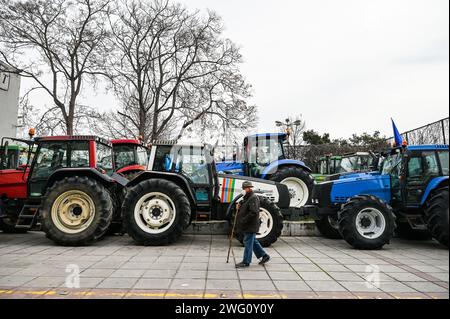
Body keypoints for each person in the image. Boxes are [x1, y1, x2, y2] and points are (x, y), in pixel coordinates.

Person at [235, 181, 271, 268]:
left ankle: (246, 261)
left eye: (245, 188)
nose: (243, 190)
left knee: (247, 242)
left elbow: (253, 212)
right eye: (243, 188)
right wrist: (239, 205)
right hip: (248, 225)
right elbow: (246, 207)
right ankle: (265, 256)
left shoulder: (253, 198)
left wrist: (244, 220)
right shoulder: (247, 197)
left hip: (250, 225)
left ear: (249, 188)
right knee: (253, 242)